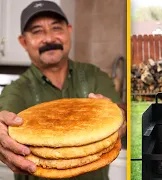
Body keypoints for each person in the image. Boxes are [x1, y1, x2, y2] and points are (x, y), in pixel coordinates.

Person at [0, 1, 126, 180]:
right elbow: (3, 117)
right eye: (37, 31)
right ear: (23, 41)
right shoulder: (16, 90)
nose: (49, 38)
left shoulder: (94, 75)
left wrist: (122, 115)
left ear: (69, 31)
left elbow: (121, 113)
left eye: (56, 28)